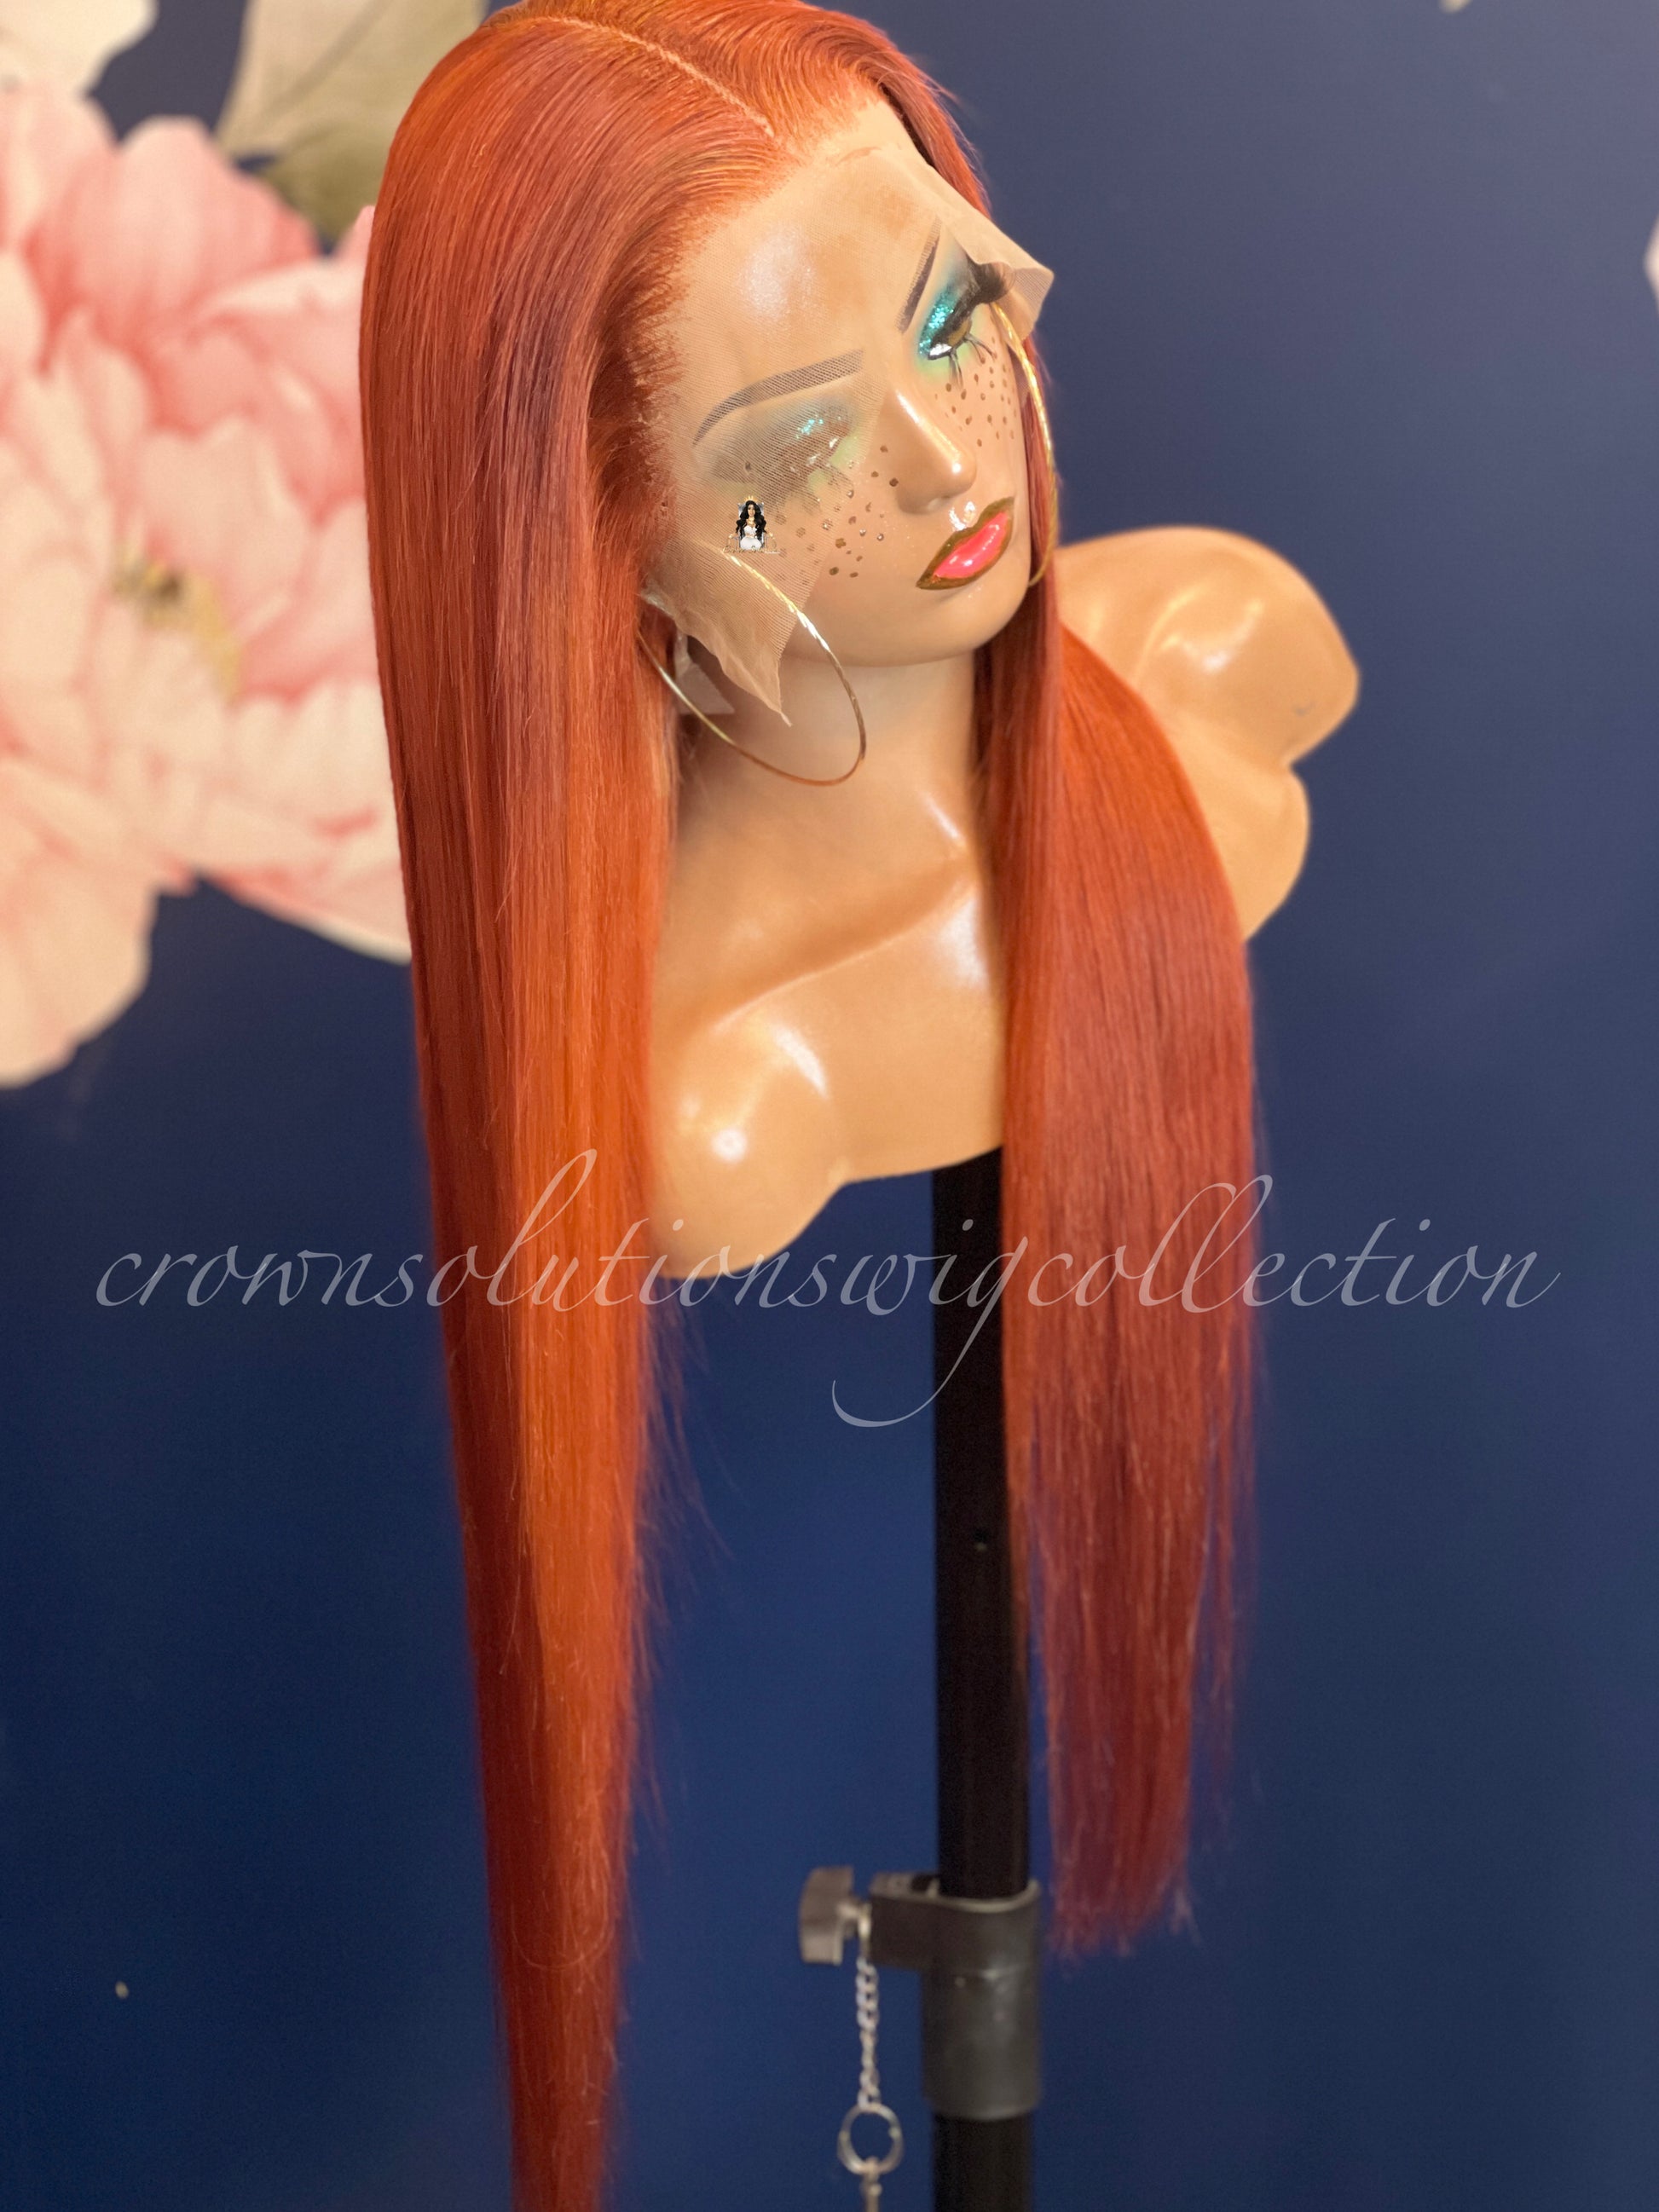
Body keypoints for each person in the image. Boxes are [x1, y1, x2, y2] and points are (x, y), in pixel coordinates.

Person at [361, 6, 1358, 2204]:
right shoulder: (726, 1087)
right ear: (597, 543)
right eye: (803, 445)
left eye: (947, 317)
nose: (943, 457)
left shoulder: (1219, 647)